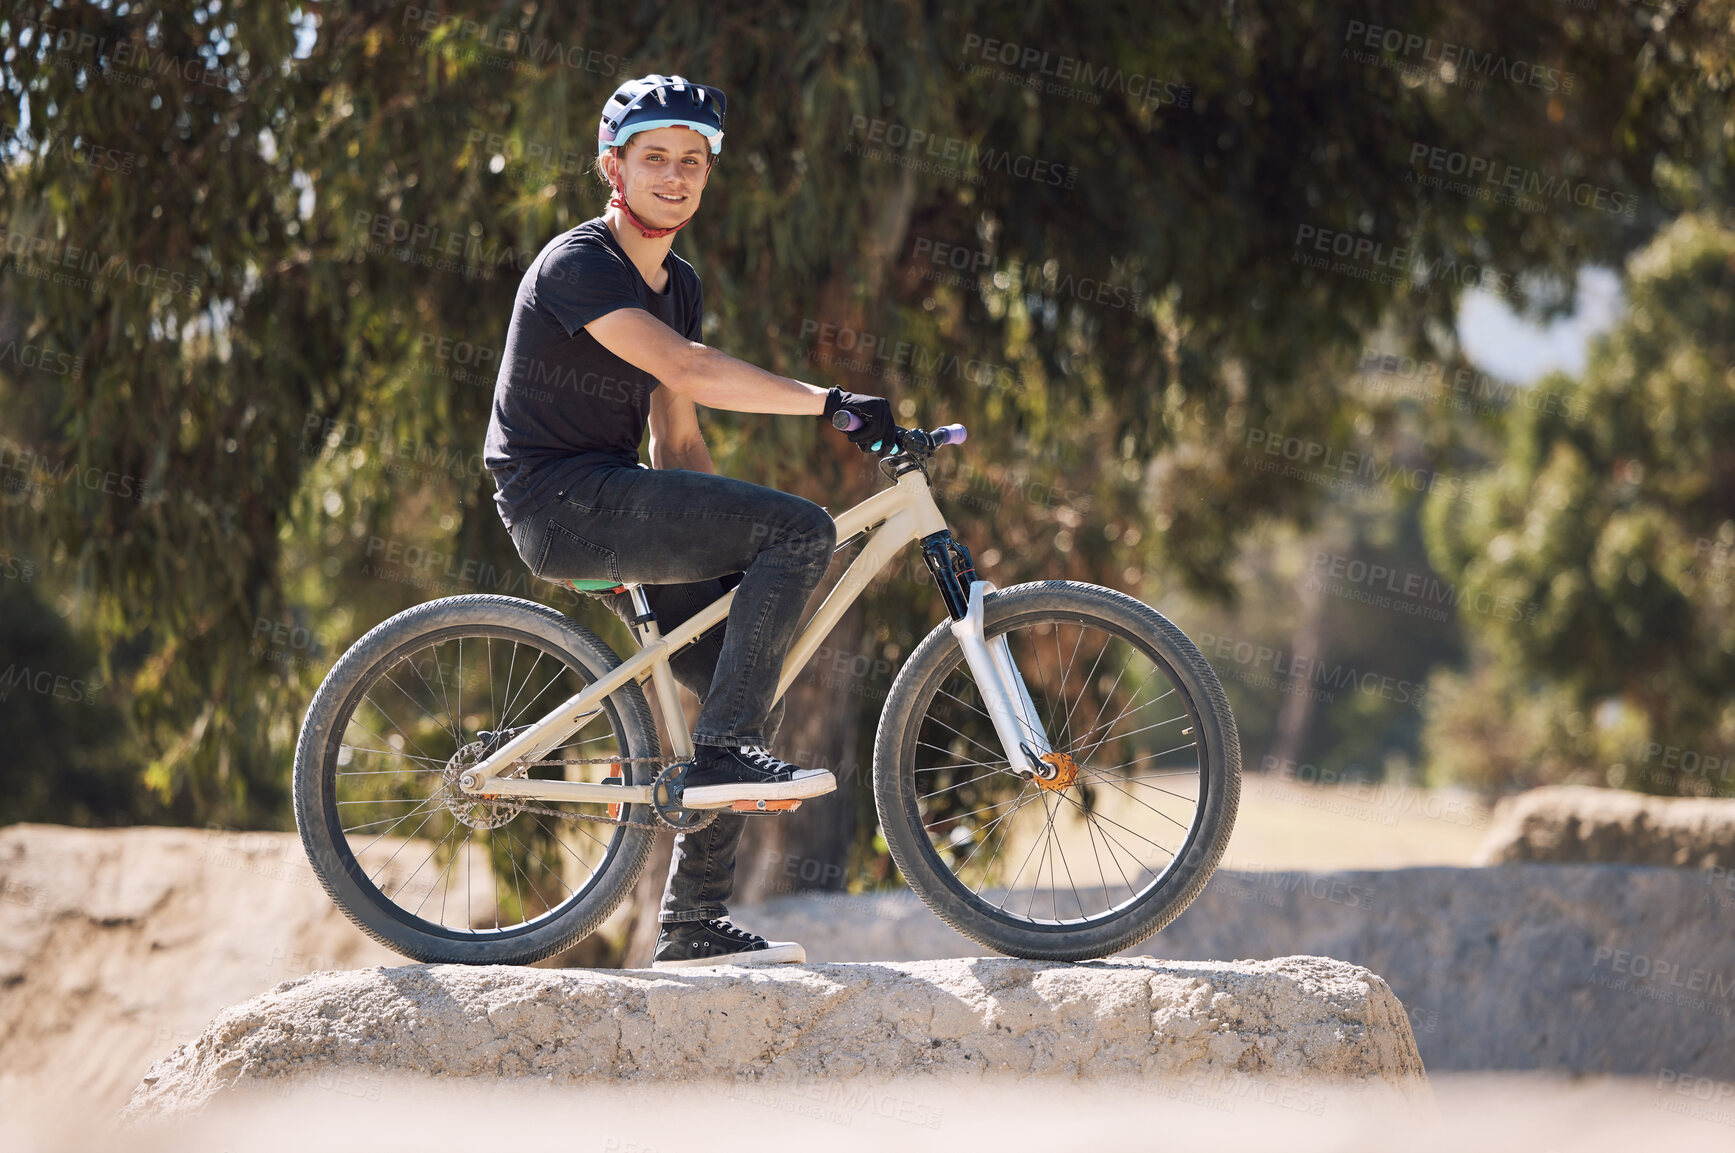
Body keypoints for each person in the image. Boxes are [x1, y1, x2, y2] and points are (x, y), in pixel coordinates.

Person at [483, 74, 894, 969]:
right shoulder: (577, 263)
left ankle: (693, 924)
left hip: (621, 491)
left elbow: (678, 436)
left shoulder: (680, 283)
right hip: (560, 501)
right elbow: (688, 369)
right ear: (612, 166)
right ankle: (723, 756)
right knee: (800, 530)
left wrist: (731, 550)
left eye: (692, 161)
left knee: (749, 677)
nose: (675, 175)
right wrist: (827, 404)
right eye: (655, 157)